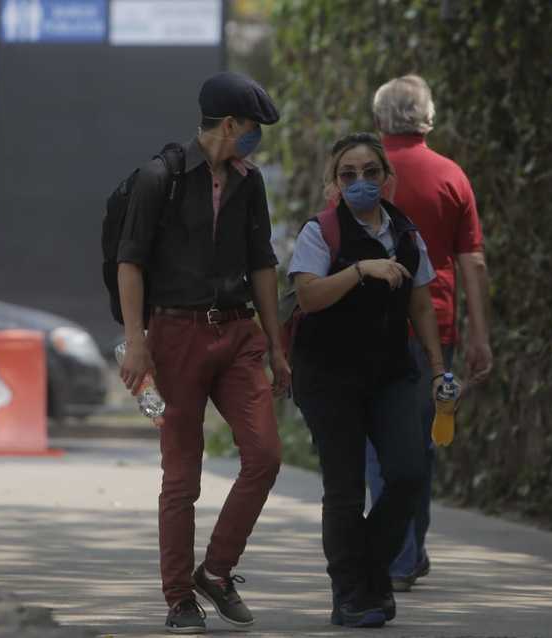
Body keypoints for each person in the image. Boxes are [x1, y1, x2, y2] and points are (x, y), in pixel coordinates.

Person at [116, 71, 290, 634]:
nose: (255, 139)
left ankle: (215, 570)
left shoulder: (250, 182)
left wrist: (276, 347)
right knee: (182, 477)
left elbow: (263, 264)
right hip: (174, 336)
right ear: (231, 124)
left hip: (238, 333)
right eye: (253, 128)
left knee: (264, 454)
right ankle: (178, 599)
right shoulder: (158, 178)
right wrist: (138, 343)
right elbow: (130, 263)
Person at [289, 132, 447, 628]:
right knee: (344, 489)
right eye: (348, 175)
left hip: (391, 372)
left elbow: (421, 305)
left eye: (370, 173)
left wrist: (439, 370)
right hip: (328, 374)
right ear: (334, 184)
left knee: (407, 473)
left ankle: (371, 572)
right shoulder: (321, 232)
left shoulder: (406, 233)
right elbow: (309, 296)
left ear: (387, 178)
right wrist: (361, 269)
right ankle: (350, 595)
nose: (361, 182)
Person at [366, 74, 493, 592]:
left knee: (379, 446)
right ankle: (407, 552)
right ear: (428, 118)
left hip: (369, 328)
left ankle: (400, 556)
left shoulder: (364, 172)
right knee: (421, 442)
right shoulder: (451, 176)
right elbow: (472, 263)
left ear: (379, 121)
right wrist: (480, 335)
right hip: (435, 331)